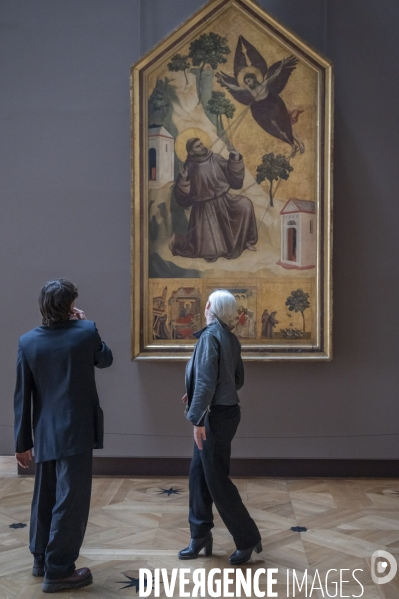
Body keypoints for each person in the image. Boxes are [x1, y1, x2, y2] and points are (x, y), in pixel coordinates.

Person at [14, 279, 113, 593]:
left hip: (44, 431)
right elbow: (105, 358)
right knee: (71, 501)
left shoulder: (27, 341)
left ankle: (41, 559)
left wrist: (22, 442)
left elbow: (22, 396)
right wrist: (83, 323)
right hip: (77, 431)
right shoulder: (85, 332)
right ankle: (59, 571)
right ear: (71, 306)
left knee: (45, 496)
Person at [179, 290, 262, 565]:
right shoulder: (229, 337)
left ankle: (247, 538)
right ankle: (199, 535)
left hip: (213, 417)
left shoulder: (209, 337)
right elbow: (236, 380)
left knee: (216, 480)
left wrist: (198, 418)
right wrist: (198, 395)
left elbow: (205, 381)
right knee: (198, 476)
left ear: (210, 308)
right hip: (225, 412)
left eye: (207, 304)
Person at [170, 138, 258, 262]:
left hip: (224, 201)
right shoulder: (189, 167)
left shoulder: (215, 158)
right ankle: (179, 241)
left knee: (245, 205)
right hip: (203, 209)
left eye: (201, 144)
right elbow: (182, 198)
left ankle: (245, 241)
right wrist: (184, 180)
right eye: (197, 146)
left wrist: (235, 157)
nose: (202, 146)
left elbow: (232, 175)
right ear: (191, 153)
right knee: (213, 251)